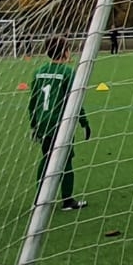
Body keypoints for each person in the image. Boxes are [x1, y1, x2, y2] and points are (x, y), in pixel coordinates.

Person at [28, 36, 91, 211]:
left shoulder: (39, 72)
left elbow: (33, 102)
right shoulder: (67, 72)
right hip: (60, 123)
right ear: (64, 51)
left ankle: (39, 200)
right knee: (66, 159)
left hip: (43, 122)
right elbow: (74, 101)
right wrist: (84, 122)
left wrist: (34, 124)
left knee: (47, 158)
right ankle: (68, 201)